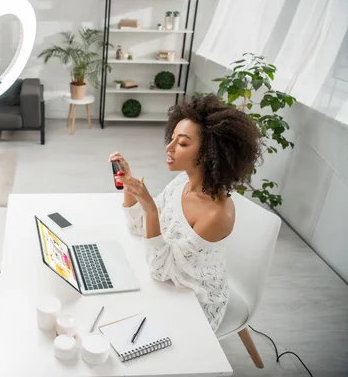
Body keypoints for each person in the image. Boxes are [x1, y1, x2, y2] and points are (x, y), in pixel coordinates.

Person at [109, 94, 262, 332]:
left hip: (196, 302)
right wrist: (128, 185)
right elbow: (139, 227)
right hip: (170, 281)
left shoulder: (216, 215)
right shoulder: (183, 181)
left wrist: (150, 208)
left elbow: (161, 271)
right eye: (172, 139)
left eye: (181, 144)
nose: (169, 148)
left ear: (210, 152)